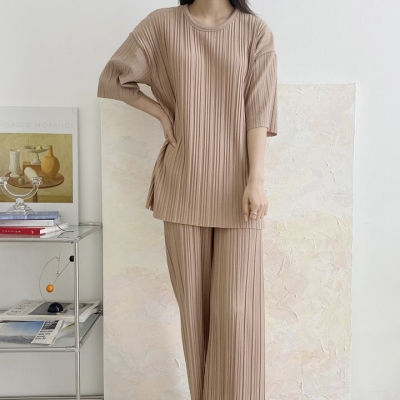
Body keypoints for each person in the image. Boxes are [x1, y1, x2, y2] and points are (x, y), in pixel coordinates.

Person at [97, 0, 278, 398]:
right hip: (183, 184)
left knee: (236, 313)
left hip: (238, 189)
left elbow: (259, 111)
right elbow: (113, 78)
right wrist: (161, 113)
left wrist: (256, 179)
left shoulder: (255, 31)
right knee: (195, 317)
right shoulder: (161, 24)